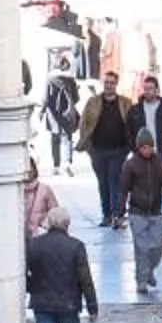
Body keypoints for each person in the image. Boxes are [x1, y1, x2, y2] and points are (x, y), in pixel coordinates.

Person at [123, 134, 162, 291]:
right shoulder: (131, 165)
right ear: (139, 148)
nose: (147, 150)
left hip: (155, 210)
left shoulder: (160, 163)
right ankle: (141, 280)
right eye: (143, 147)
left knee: (158, 246)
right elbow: (123, 189)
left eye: (149, 147)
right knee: (141, 248)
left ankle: (148, 271)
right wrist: (119, 211)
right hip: (137, 211)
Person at [78, 71, 134, 225]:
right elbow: (84, 124)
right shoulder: (93, 102)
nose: (109, 85)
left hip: (118, 150)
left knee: (115, 180)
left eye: (112, 83)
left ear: (116, 84)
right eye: (106, 82)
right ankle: (106, 215)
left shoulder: (125, 103)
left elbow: (132, 124)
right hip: (97, 150)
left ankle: (117, 214)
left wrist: (129, 146)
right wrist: (88, 146)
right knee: (103, 183)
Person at [39, 65, 79, 170]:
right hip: (67, 112)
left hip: (53, 113)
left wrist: (42, 111)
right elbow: (76, 98)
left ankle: (56, 165)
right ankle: (67, 162)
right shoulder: (70, 79)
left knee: (55, 138)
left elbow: (46, 98)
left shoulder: (49, 79)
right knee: (67, 137)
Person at [21, 155, 68, 238]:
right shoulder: (14, 191)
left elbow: (56, 213)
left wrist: (44, 225)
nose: (27, 172)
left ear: (34, 169)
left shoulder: (44, 189)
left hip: (40, 236)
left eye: (30, 169)